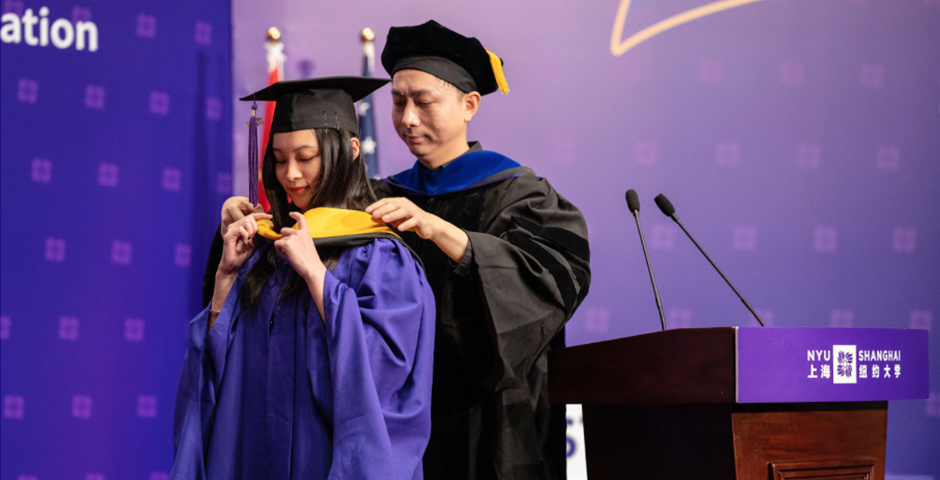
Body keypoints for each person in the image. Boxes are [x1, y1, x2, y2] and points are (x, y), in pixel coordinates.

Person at [173, 77, 436, 480]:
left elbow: (381, 378)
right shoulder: (269, 248)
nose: (290, 174)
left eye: (305, 157)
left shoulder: (381, 257)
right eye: (279, 159)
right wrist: (226, 277)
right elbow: (217, 371)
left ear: (351, 150)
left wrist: (318, 277)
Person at [367, 21, 592, 479]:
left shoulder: (521, 195)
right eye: (398, 101)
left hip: (491, 423)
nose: (408, 118)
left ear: (469, 105)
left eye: (424, 102)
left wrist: (449, 235)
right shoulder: (379, 198)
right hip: (394, 421)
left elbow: (551, 281)